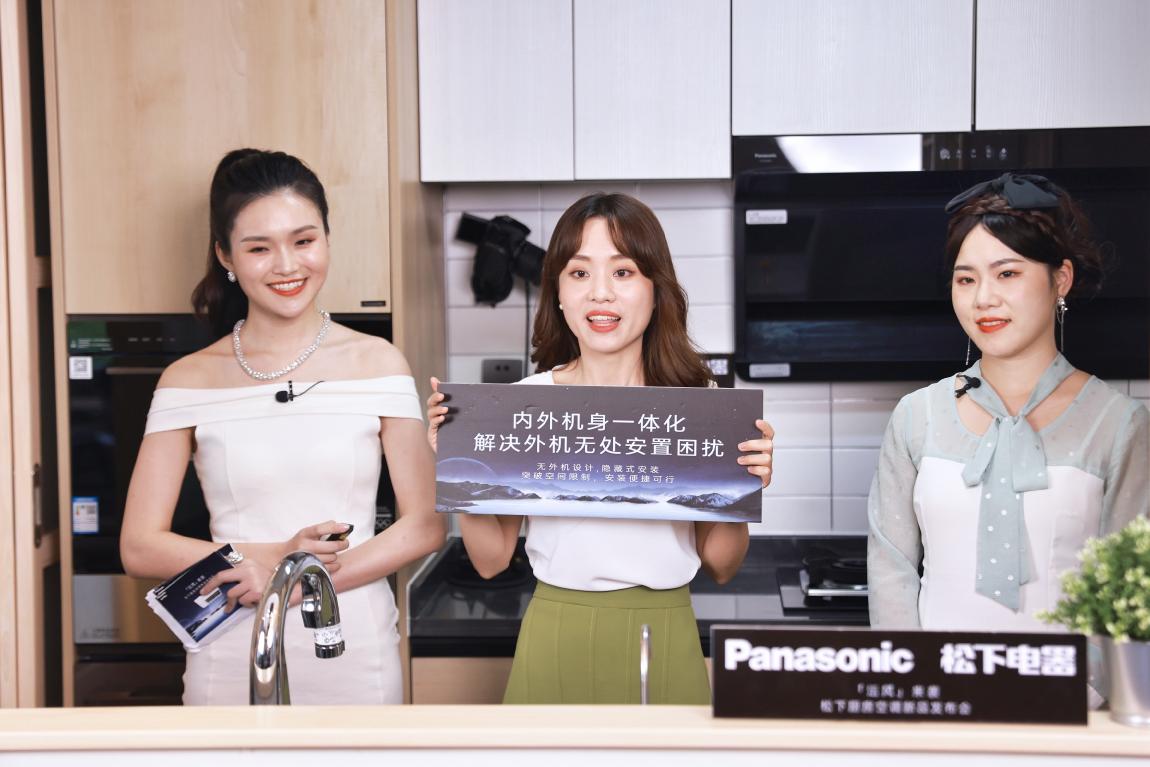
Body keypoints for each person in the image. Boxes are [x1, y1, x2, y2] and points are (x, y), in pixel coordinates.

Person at [120, 149, 443, 705]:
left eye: (303, 240)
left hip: (352, 648)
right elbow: (140, 547)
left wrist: (294, 582)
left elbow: (425, 526)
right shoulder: (187, 379)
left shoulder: (379, 363)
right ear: (225, 255)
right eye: (259, 248)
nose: (287, 265)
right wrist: (277, 554)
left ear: (326, 239)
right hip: (228, 649)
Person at [427, 192, 775, 704]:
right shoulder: (524, 403)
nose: (600, 294)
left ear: (656, 289)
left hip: (665, 631)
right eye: (579, 273)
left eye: (623, 271)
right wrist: (456, 469)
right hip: (553, 631)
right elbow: (490, 561)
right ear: (558, 293)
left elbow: (722, 565)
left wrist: (742, 486)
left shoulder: (701, 406)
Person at [867, 172, 1148, 637]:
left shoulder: (1119, 424)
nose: (983, 299)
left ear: (1061, 279)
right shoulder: (916, 416)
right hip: (938, 678)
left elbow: (1129, 597)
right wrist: (912, 671)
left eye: (1007, 274)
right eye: (966, 279)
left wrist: (1092, 681)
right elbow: (890, 574)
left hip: (1072, 681)